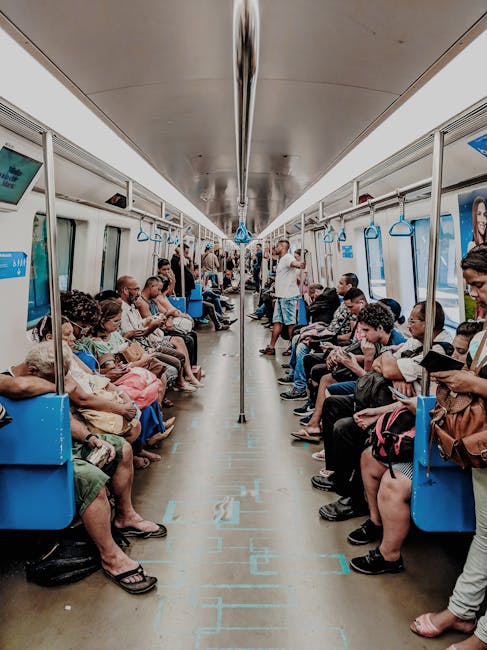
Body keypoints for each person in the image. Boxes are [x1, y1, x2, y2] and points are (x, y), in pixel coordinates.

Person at [0, 343, 162, 595]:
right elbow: (20, 387)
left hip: (62, 446)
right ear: (32, 369)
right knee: (90, 478)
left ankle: (124, 516)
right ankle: (110, 557)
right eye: (56, 378)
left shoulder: (45, 377)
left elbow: (63, 417)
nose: (64, 381)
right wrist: (62, 386)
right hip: (28, 461)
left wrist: (89, 438)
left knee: (122, 449)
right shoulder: (7, 380)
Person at [410, 244, 487, 649]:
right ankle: (462, 611)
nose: (475, 296)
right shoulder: (484, 329)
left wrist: (473, 384)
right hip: (481, 444)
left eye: (480, 286)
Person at [259, 239, 305, 356]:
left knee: (290, 324)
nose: (275, 248)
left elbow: (295, 264)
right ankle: (271, 347)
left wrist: (300, 264)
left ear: (282, 247)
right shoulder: (281, 259)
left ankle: (292, 348)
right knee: (277, 322)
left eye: (277, 246)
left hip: (288, 296)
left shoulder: (288, 257)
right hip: (281, 296)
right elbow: (268, 256)